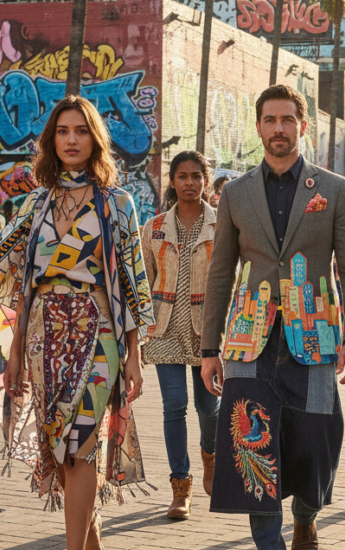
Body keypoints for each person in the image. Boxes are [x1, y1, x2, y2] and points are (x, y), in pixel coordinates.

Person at [0, 95, 154, 550]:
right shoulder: (34, 207)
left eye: (81, 130)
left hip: (97, 331)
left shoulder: (117, 204)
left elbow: (135, 284)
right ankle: (91, 534)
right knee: (61, 451)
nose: (72, 139)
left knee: (80, 446)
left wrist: (134, 356)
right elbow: (8, 276)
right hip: (43, 337)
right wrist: (12, 350)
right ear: (51, 141)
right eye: (63, 131)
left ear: (95, 139)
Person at [200, 84, 345, 550]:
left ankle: (305, 515)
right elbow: (220, 273)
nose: (278, 129)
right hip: (248, 340)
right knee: (252, 446)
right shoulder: (235, 193)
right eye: (270, 120)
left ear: (302, 126)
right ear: (258, 127)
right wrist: (210, 349)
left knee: (315, 442)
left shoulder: (334, 189)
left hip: (313, 336)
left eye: (287, 120)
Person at [141, 150, 220, 519]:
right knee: (174, 406)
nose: (189, 182)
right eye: (182, 176)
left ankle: (210, 452)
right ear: (172, 181)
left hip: (209, 332)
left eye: (196, 176)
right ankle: (180, 486)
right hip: (165, 327)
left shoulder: (222, 225)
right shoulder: (154, 227)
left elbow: (231, 278)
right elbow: (143, 281)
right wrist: (142, 330)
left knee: (209, 407)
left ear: (205, 180)